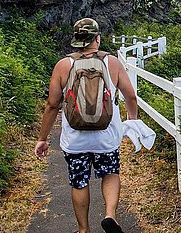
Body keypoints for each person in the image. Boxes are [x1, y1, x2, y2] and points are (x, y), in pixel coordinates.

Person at [34, 18, 138, 233]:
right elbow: (130, 96)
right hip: (106, 137)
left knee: (79, 181)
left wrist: (43, 138)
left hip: (75, 139)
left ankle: (83, 230)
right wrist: (132, 121)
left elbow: (52, 105)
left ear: (76, 40)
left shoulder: (64, 65)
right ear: (97, 38)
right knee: (110, 173)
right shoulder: (112, 63)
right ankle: (110, 216)